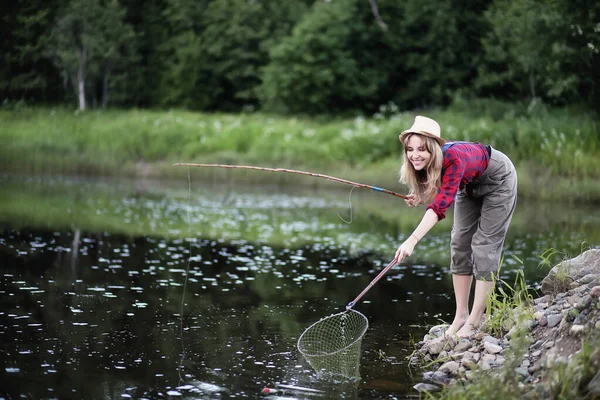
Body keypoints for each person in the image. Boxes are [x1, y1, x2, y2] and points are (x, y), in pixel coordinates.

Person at [394, 116, 517, 338]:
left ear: (433, 148)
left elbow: (440, 206)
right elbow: (439, 188)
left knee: (484, 244)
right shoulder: (426, 163)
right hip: (469, 186)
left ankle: (475, 320)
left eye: (421, 149)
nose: (415, 155)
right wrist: (421, 196)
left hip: (498, 179)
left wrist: (411, 240)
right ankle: (461, 316)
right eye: (410, 149)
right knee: (460, 242)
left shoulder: (454, 159)